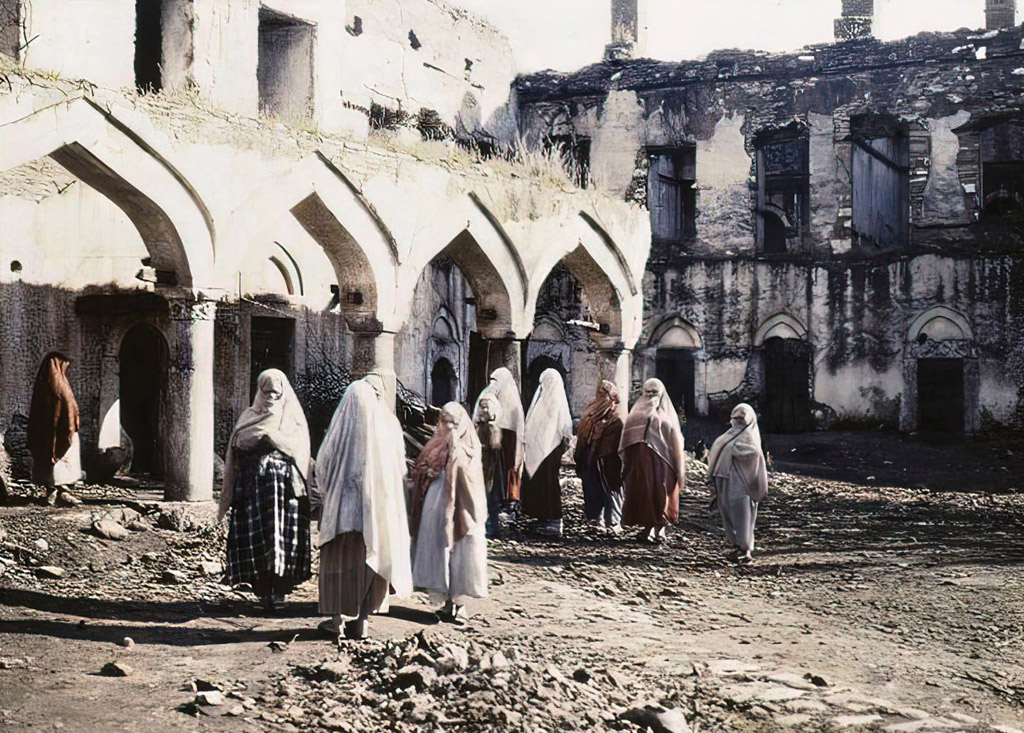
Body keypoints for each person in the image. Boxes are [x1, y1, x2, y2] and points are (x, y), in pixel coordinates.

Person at [314, 375, 412, 640]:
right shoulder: (388, 424)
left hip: (342, 510)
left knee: (338, 563)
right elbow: (400, 469)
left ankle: (336, 621)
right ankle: (363, 621)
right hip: (376, 509)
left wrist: (327, 489)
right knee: (370, 559)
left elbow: (323, 463)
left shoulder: (342, 424)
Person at [219, 369, 312, 611]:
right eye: (266, 392)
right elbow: (238, 442)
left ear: (283, 393)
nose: (271, 397)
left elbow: (298, 449)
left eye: (276, 393)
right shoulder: (249, 416)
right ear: (259, 391)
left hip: (285, 492)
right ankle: (262, 593)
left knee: (282, 538)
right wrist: (262, 437)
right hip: (254, 490)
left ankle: (280, 593)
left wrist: (272, 438)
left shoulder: (293, 418)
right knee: (257, 538)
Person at [410, 402, 488, 623]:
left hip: (463, 509)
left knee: (463, 554)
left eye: (453, 422)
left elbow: (470, 477)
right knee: (440, 551)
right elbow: (421, 467)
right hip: (437, 507)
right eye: (444, 421)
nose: (449, 427)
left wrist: (456, 453)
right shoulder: (435, 443)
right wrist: (429, 472)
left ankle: (460, 603)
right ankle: (445, 602)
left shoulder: (470, 445)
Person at [619, 378, 686, 544]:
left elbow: (675, 441)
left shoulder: (666, 416)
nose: (650, 395)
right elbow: (627, 436)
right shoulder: (636, 412)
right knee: (644, 494)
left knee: (661, 494)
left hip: (662, 463)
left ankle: (660, 528)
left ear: (661, 393)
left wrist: (679, 468)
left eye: (654, 392)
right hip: (641, 463)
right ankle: (647, 528)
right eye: (647, 392)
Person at [707, 403, 768, 565]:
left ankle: (746, 549)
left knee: (743, 515)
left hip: (742, 484)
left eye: (742, 418)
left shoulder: (750, 439)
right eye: (736, 418)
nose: (738, 421)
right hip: (724, 481)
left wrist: (737, 451)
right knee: (727, 514)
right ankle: (736, 546)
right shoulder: (726, 437)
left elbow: (755, 459)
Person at [520, 368, 572, 537]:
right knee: (539, 484)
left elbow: (564, 429)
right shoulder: (541, 403)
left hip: (550, 451)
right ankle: (542, 518)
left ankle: (554, 521)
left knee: (549, 485)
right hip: (539, 451)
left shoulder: (557, 404)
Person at [28, 352, 83, 506]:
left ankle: (57, 491)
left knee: (53, 458)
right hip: (60, 430)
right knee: (60, 459)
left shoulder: (45, 383)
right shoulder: (58, 384)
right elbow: (65, 405)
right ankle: (57, 491)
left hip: (53, 430)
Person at [473, 367, 524, 526]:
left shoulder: (511, 400)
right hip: (496, 437)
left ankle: (508, 502)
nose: (493, 384)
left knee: (506, 469)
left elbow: (516, 422)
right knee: (495, 472)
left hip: (507, 438)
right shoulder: (491, 398)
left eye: (496, 381)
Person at [574, 380, 624, 531]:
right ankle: (595, 519)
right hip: (591, 459)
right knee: (591, 489)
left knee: (610, 490)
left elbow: (615, 443)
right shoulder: (591, 411)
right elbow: (582, 435)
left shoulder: (616, 418)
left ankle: (613, 521)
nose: (601, 397)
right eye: (599, 393)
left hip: (608, 461)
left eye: (604, 393)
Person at [473, 392, 506, 538]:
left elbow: (495, 445)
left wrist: (482, 447)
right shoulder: (480, 426)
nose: (485, 411)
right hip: (481, 463)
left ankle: (493, 526)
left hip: (489, 465)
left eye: (487, 408)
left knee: (490, 496)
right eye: (482, 408)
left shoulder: (492, 427)